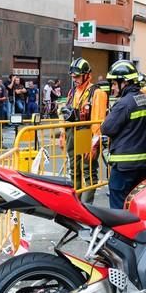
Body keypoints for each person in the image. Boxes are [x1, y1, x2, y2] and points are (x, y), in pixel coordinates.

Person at [102, 60, 146, 209]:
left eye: (114, 83)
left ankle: (120, 233)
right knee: (136, 204)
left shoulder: (124, 103)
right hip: (141, 165)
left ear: (124, 82)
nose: (113, 88)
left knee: (119, 207)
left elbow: (107, 128)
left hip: (123, 166)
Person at [60, 57, 109, 203]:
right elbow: (66, 113)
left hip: (87, 135)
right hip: (72, 134)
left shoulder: (97, 93)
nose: (74, 78)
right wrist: (62, 134)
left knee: (88, 171)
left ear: (87, 75)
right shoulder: (72, 92)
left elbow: (98, 121)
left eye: (77, 76)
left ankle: (87, 207)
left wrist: (94, 144)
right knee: (74, 170)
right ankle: (76, 204)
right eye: (73, 76)